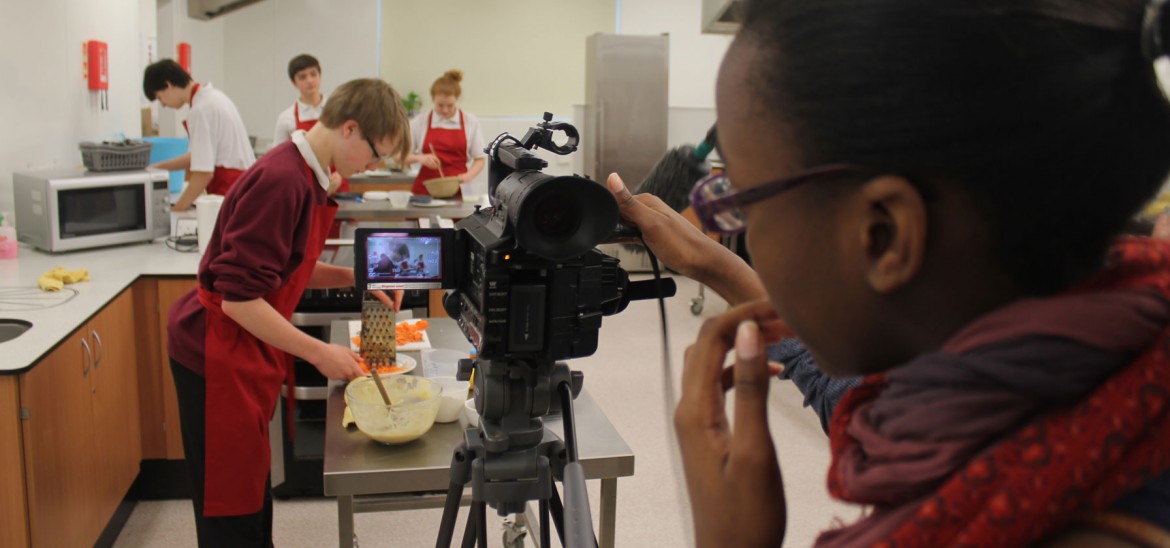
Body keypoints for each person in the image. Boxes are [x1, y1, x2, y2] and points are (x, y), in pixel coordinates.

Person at [613, 0, 1170, 545]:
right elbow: (869, 399)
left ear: (882, 233)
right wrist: (714, 263)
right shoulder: (1088, 378)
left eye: (745, 204)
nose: (739, 228)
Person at [165, 78, 410, 547]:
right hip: (216, 354)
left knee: (250, 486)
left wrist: (353, 277)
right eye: (376, 152)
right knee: (229, 502)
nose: (373, 166)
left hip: (241, 348)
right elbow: (239, 298)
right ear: (350, 129)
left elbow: (286, 265)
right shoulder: (282, 180)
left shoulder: (305, 173)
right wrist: (320, 353)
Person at [143, 59, 255, 211]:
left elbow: (203, 173)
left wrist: (177, 209)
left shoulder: (200, 109)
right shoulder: (215, 97)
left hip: (229, 191)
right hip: (244, 189)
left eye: (159, 98)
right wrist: (158, 167)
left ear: (168, 85)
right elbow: (199, 155)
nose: (163, 105)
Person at [271, 54, 347, 193]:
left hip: (338, 186)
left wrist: (341, 175)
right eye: (302, 77)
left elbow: (349, 146)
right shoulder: (286, 118)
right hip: (304, 189)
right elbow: (278, 161)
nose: (309, 80)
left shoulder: (339, 110)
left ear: (320, 76)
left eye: (313, 74)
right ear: (294, 83)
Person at [404, 69, 487, 196]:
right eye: (440, 105)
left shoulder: (470, 121)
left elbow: (480, 159)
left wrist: (468, 176)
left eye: (450, 105)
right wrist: (420, 158)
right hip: (425, 192)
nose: (445, 110)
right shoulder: (420, 122)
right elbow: (400, 155)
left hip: (458, 189)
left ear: (458, 100)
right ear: (432, 99)